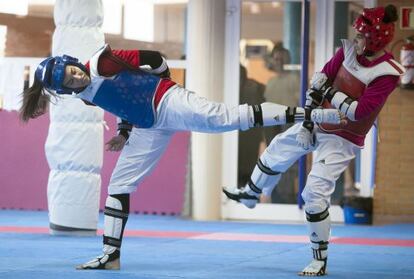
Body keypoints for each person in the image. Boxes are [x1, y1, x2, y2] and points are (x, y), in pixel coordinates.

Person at [20, 44, 343, 270]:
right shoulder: (86, 97)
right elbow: (121, 105)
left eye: (73, 71)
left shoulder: (103, 61)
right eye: (68, 80)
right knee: (119, 185)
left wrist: (164, 83)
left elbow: (154, 58)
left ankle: (310, 114)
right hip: (147, 126)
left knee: (223, 118)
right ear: (64, 90)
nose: (76, 77)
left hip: (168, 100)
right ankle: (109, 254)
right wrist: (123, 133)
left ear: (74, 61)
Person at [223, 5, 403, 276]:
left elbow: (359, 111)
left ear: (376, 39)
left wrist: (328, 90)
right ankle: (251, 193)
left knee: (314, 193)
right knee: (277, 149)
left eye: (362, 36)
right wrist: (307, 122)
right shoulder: (346, 52)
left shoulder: (387, 72)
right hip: (319, 121)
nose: (356, 39)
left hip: (344, 138)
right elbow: (317, 84)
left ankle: (319, 260)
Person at [262, 42, 300, 204]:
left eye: (281, 59)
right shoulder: (270, 81)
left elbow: (300, 102)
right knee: (273, 159)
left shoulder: (294, 79)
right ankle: (277, 195)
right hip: (272, 123)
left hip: (290, 122)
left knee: (290, 161)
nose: (278, 62)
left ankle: (290, 196)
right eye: (276, 59)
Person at [238, 64, 265, 187]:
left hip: (246, 135)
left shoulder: (254, 87)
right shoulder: (257, 87)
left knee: (244, 168)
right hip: (250, 134)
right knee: (247, 168)